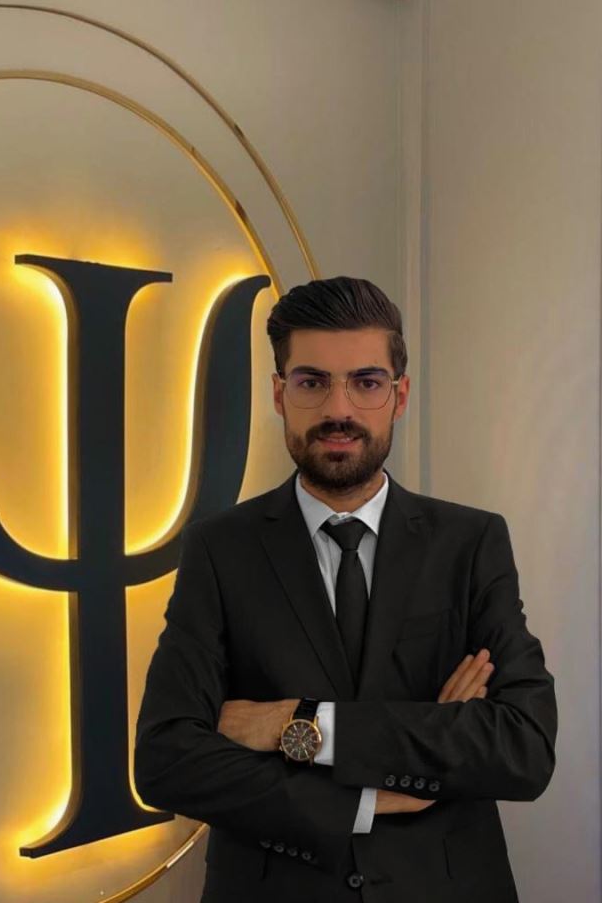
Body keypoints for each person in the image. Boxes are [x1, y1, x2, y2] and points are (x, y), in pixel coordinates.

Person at [134, 277, 557, 902]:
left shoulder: (471, 542)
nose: (340, 410)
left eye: (366, 382)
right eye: (312, 382)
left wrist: (298, 724)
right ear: (279, 394)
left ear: (398, 395)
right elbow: (166, 759)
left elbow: (522, 747)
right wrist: (365, 797)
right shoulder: (219, 549)